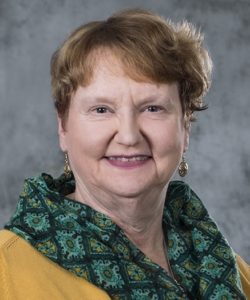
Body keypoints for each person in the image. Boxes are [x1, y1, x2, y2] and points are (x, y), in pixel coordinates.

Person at [0, 8, 249, 299]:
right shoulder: (7, 271)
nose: (129, 136)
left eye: (152, 108)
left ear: (185, 128)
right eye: (102, 110)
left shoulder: (227, 268)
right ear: (63, 127)